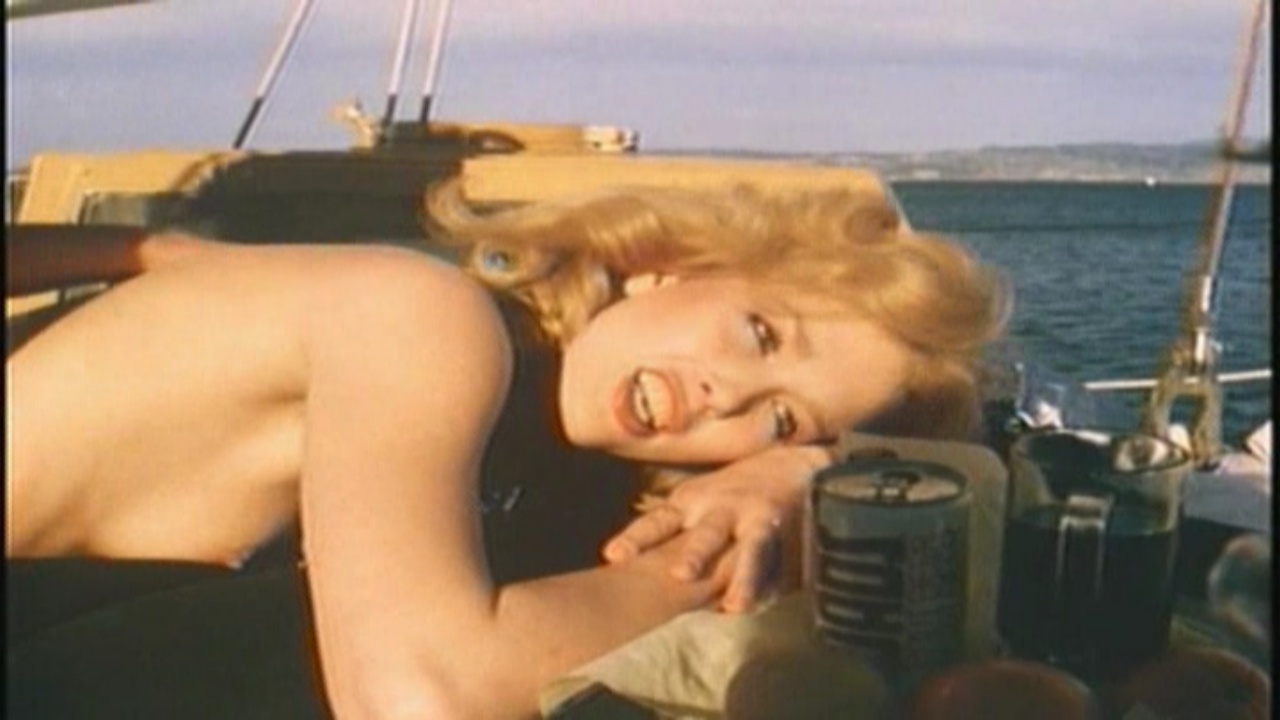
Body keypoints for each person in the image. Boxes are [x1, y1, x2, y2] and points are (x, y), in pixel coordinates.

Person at [6, 182, 1009, 719]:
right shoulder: (424, 314)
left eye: (781, 417)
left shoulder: (535, 450)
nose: (730, 394)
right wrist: (748, 540)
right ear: (670, 265)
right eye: (758, 334)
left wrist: (798, 475)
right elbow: (422, 702)